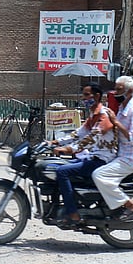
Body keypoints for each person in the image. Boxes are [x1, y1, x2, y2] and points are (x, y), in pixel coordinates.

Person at [45, 82, 119, 227]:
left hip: (103, 160)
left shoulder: (104, 116)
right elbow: (78, 133)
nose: (84, 99)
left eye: (87, 95)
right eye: (83, 96)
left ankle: (72, 213)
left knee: (62, 172)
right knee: (55, 166)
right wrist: (54, 142)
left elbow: (91, 138)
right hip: (93, 157)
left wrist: (69, 150)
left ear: (97, 96)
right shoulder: (93, 115)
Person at [93, 75, 133, 220]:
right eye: (115, 89)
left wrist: (115, 122)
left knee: (99, 175)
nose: (116, 93)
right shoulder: (122, 108)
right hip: (121, 154)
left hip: (132, 158)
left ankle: (131, 206)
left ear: (130, 91)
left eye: (119, 90)